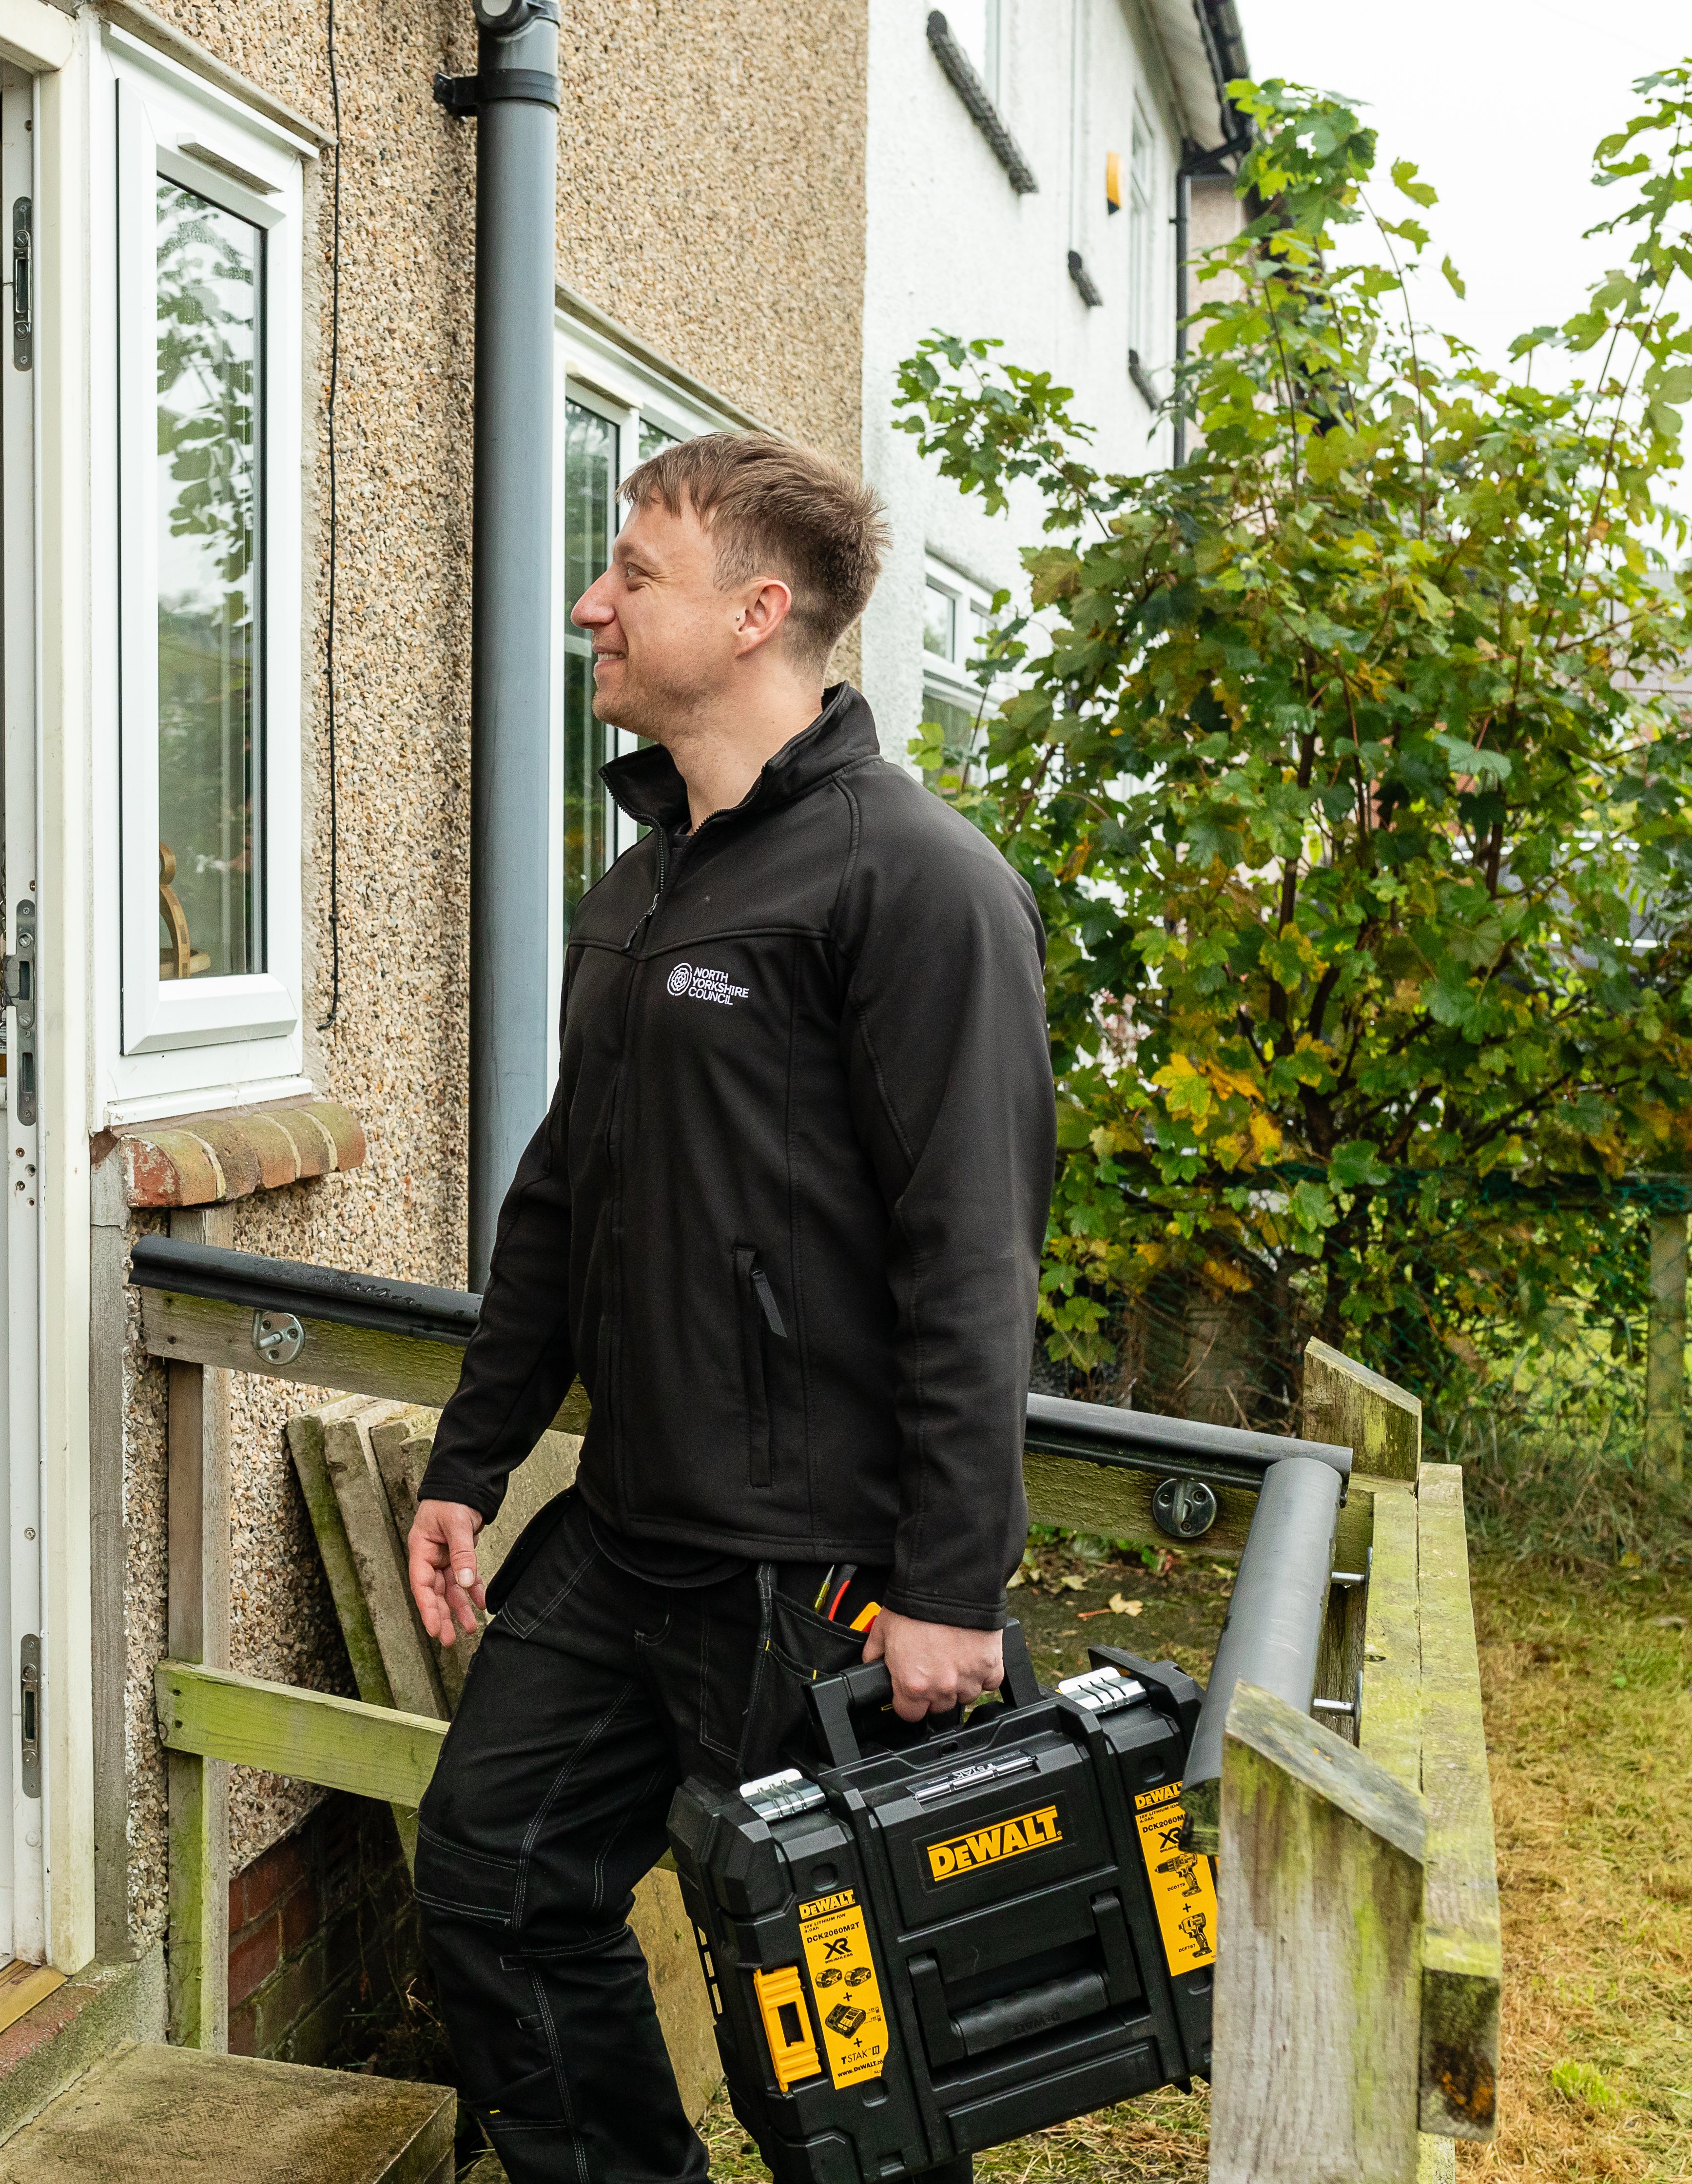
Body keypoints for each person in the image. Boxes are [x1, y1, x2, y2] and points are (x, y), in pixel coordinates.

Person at [402, 433, 1054, 2184]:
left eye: (635, 573)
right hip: (632, 1537)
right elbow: (564, 1194)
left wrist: (946, 1588)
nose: (592, 604)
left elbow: (974, 1256)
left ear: (760, 615)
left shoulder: (914, 885)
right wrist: (472, 1460)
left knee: (827, 2055)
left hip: (822, 1578)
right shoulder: (649, 878)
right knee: (493, 1879)